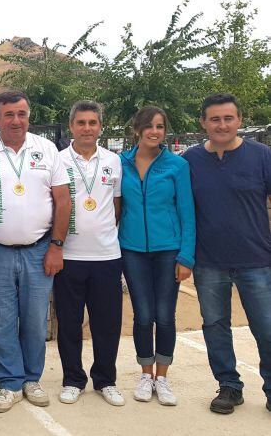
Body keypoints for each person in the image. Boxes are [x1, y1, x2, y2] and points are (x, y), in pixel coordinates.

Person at [0, 91, 71, 412]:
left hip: (40, 251)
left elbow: (63, 200)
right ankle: (9, 382)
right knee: (0, 320)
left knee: (36, 320)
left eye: (21, 114)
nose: (16, 120)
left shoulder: (47, 149)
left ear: (29, 116)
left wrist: (56, 246)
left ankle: (32, 379)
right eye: (8, 114)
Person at [183, 93, 271, 415]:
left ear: (240, 121)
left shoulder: (263, 156)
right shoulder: (190, 161)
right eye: (215, 119)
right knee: (215, 326)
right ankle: (229, 387)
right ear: (203, 123)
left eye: (228, 118)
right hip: (209, 263)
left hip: (257, 261)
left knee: (267, 327)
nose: (222, 125)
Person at [118, 106, 195, 406]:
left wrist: (186, 256)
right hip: (132, 250)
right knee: (143, 315)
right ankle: (144, 374)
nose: (155, 131)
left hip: (168, 251)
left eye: (160, 126)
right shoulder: (120, 162)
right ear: (137, 129)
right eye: (149, 126)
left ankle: (162, 377)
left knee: (164, 316)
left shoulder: (177, 165)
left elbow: (187, 213)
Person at [55, 101, 125, 406]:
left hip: (107, 256)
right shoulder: (57, 161)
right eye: (81, 123)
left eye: (92, 123)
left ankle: (105, 380)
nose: (87, 128)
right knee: (69, 323)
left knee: (107, 323)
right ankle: (73, 379)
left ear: (100, 126)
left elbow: (117, 205)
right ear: (71, 126)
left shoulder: (114, 160)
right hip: (68, 256)